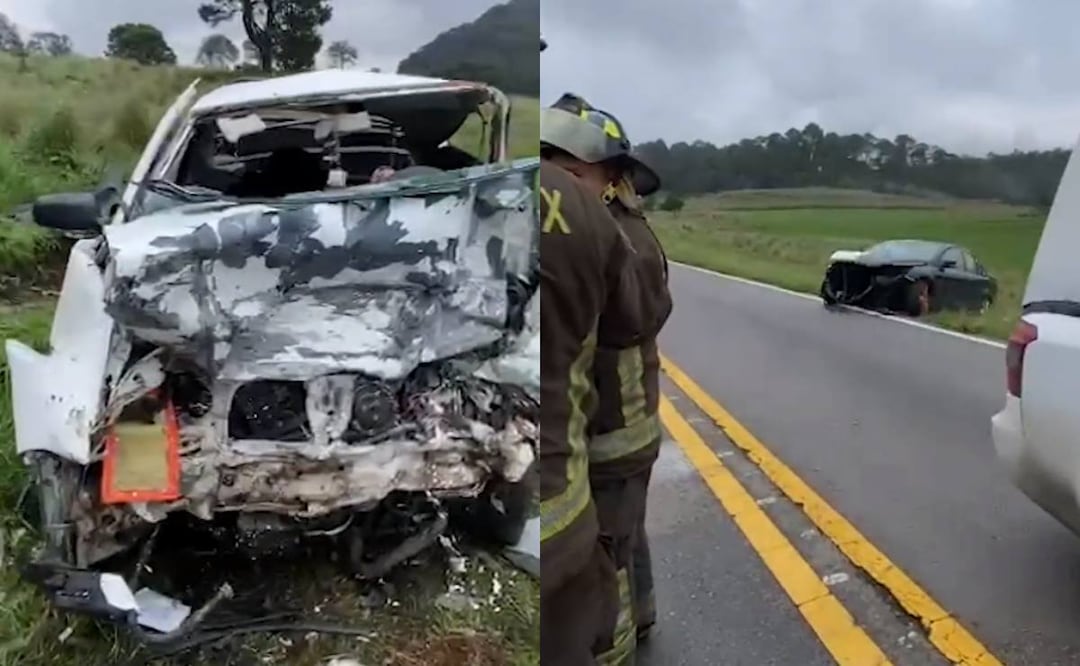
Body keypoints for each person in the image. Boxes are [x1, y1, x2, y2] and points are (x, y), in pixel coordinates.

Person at [542, 93, 673, 662]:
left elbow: (640, 317)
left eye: (574, 173)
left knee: (610, 554)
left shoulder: (628, 236)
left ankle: (616, 643)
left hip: (618, 431)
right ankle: (642, 621)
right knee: (624, 534)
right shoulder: (582, 217)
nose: (565, 183)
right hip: (593, 429)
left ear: (615, 179)